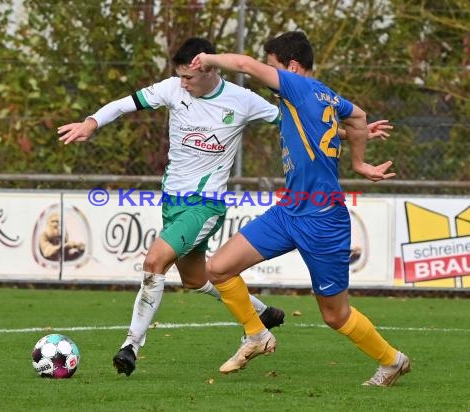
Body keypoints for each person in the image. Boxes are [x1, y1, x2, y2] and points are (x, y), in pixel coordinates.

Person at [191, 31, 411, 387]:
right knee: (218, 268)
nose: (268, 74)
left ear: (292, 67)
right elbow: (357, 117)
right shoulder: (320, 95)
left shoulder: (296, 86)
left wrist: (210, 59)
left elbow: (245, 65)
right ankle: (257, 335)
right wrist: (358, 161)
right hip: (289, 210)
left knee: (335, 316)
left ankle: (392, 361)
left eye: (273, 65)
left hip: (323, 219)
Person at [57, 37, 286, 377]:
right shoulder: (172, 90)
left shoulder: (242, 100)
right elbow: (123, 104)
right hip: (172, 204)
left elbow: (293, 123)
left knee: (154, 262)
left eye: (188, 78)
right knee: (195, 280)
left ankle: (130, 346)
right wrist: (91, 123)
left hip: (204, 205)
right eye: (179, 77)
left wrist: (344, 131)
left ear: (208, 69)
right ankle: (261, 312)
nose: (183, 84)